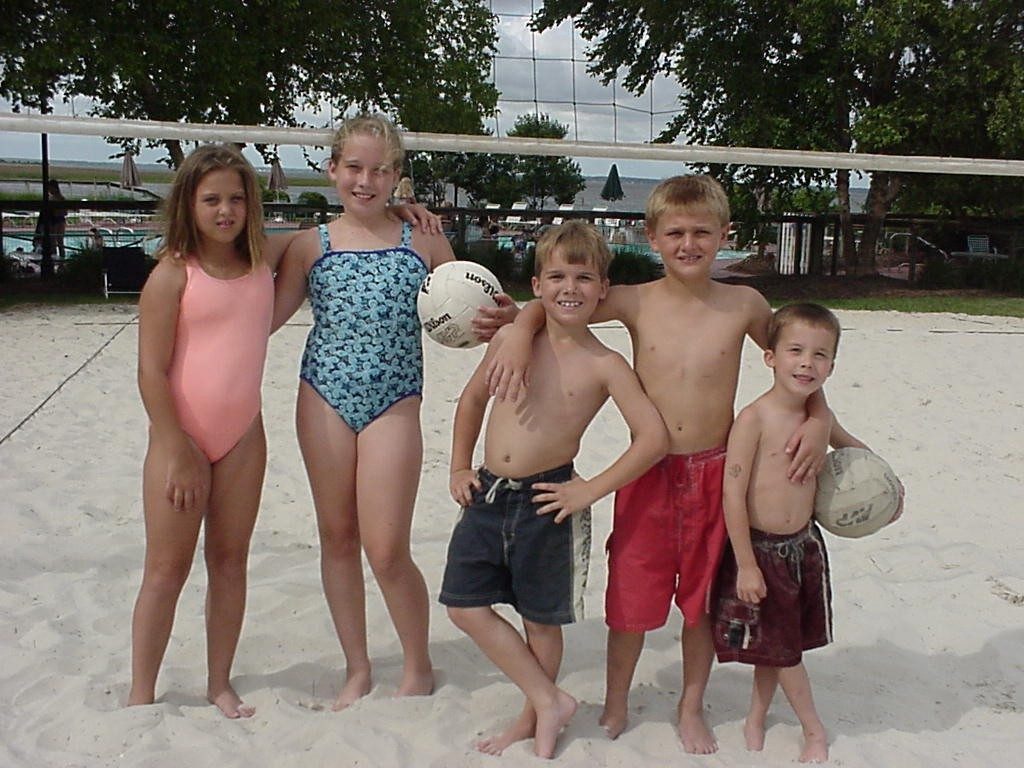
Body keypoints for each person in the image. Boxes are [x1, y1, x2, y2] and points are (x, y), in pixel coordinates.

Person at [487, 175, 832, 753]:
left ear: (726, 234)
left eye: (702, 232)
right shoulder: (633, 298)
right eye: (675, 232)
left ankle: (690, 707)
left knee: (698, 603)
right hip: (646, 472)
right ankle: (617, 701)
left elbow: (797, 359)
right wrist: (521, 331)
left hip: (717, 474)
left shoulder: (745, 304)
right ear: (651, 236)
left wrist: (819, 420)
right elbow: (551, 304)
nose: (688, 243)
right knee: (629, 599)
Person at [272, 114, 517, 709]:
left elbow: (467, 312)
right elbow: (262, 322)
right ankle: (357, 667)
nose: (365, 180)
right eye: (353, 167)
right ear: (332, 170)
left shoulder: (424, 239)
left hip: (395, 403)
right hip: (322, 396)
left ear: (397, 177)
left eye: (380, 170)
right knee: (336, 537)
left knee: (385, 548)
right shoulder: (312, 243)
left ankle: (417, 663)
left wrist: (508, 320)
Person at [440, 220, 669, 759]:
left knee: (541, 620)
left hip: (551, 502)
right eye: (558, 276)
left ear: (603, 289)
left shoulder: (605, 363)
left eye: (585, 277)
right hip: (489, 493)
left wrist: (590, 490)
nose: (571, 287)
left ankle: (532, 716)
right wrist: (456, 466)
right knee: (462, 606)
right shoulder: (512, 338)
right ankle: (547, 698)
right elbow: (472, 402)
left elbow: (653, 437)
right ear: (537, 286)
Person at [129, 144, 282, 718]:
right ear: (189, 203)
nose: (225, 210)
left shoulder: (264, 259)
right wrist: (176, 447)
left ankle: (219, 682)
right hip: (181, 438)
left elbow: (335, 232)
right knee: (166, 569)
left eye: (237, 199)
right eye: (212, 199)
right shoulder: (172, 274)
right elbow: (150, 371)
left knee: (229, 562)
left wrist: (404, 212)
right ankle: (141, 690)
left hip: (243, 436)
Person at [713, 302, 890, 763]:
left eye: (821, 355)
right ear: (770, 356)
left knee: (778, 646)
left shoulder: (820, 420)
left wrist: (889, 492)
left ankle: (755, 717)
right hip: (761, 554)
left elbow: (856, 453)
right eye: (795, 351)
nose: (807, 363)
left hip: (805, 548)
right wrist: (746, 565)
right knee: (786, 653)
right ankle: (813, 729)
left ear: (832, 364)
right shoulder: (753, 420)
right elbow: (731, 495)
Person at [33, 179, 67, 260]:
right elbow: (65, 212)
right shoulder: (61, 198)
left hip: (55, 221)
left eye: (49, 188)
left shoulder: (53, 199)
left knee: (54, 242)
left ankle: (56, 259)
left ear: (54, 188)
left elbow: (63, 212)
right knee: (59, 242)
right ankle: (61, 259)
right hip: (59, 220)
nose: (49, 190)